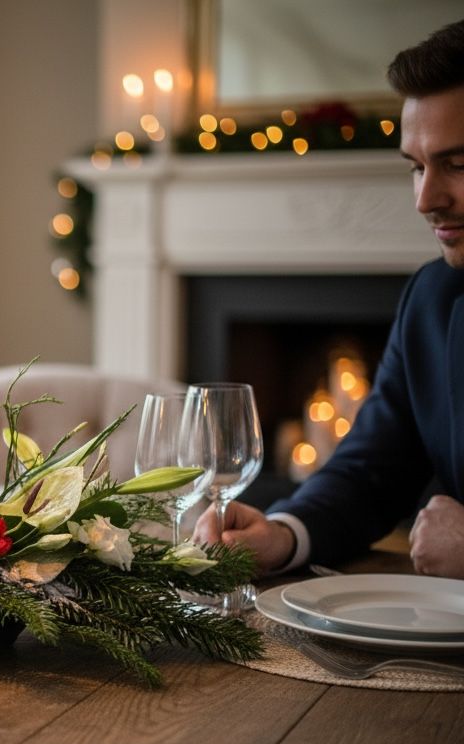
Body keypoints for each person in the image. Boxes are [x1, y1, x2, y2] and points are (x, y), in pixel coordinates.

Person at [193, 19, 464, 580]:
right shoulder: (431, 300)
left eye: (458, 164)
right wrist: (282, 534)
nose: (426, 199)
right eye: (416, 167)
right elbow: (369, 472)